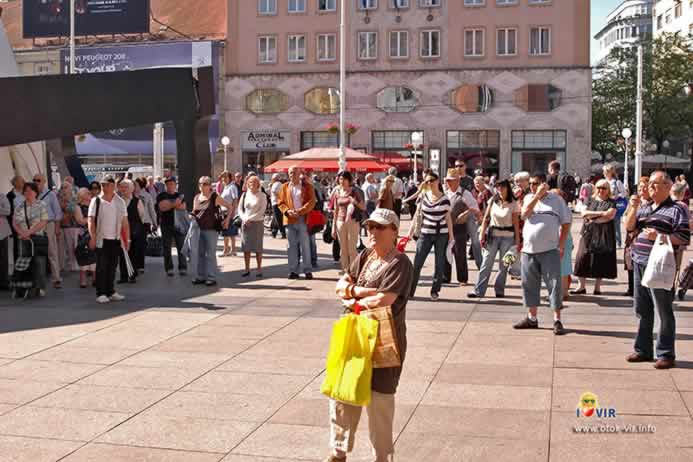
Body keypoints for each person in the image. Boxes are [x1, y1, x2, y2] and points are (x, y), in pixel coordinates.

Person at [329, 208, 413, 462]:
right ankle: (338, 452)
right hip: (355, 333)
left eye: (380, 227)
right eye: (370, 227)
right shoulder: (365, 255)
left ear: (394, 231)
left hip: (385, 340)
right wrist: (359, 290)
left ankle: (381, 457)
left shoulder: (400, 263)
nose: (373, 231)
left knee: (380, 402)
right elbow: (340, 286)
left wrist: (353, 294)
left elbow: (384, 299)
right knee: (344, 393)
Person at [625, 171, 690, 369]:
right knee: (642, 309)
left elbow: (685, 238)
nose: (650, 187)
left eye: (655, 184)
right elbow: (630, 228)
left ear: (667, 187)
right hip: (640, 262)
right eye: (649, 184)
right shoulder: (645, 207)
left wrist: (660, 237)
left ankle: (666, 354)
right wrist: (633, 208)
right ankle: (643, 350)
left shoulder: (678, 209)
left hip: (660, 265)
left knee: (663, 311)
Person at [513, 173, 572, 335]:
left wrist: (561, 245)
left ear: (544, 184)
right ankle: (532, 318)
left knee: (554, 285)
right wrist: (536, 196)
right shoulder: (528, 198)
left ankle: (557, 319)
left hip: (550, 250)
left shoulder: (557, 200)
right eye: (531, 183)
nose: (532, 186)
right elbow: (524, 214)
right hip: (529, 250)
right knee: (529, 284)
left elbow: (566, 222)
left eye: (536, 183)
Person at [468, 179, 521, 298]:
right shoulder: (493, 200)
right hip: (492, 236)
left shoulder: (513, 203)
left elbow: (516, 223)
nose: (500, 190)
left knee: (504, 265)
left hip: (508, 237)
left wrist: (517, 241)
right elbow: (486, 217)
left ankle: (499, 290)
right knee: (486, 263)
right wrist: (482, 233)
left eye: (502, 187)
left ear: (508, 188)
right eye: (498, 187)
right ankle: (478, 290)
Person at [407, 172, 454, 301]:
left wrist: (451, 236)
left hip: (441, 235)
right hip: (425, 234)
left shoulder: (445, 199)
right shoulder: (423, 196)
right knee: (417, 263)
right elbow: (417, 216)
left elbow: (448, 218)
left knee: (439, 265)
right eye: (427, 181)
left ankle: (435, 290)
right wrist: (409, 233)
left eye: (432, 180)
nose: (430, 183)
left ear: (438, 181)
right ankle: (410, 291)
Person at [571, 179, 618, 295]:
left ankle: (597, 288)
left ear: (608, 190)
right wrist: (601, 214)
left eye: (603, 188)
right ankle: (581, 286)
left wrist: (592, 216)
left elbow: (610, 215)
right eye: (598, 188)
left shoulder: (611, 202)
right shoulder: (590, 200)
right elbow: (583, 213)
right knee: (581, 257)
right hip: (588, 233)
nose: (601, 190)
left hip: (604, 234)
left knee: (600, 259)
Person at [88, 175, 129, 304]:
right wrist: (93, 237)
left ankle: (110, 291)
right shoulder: (96, 201)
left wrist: (127, 239)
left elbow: (125, 221)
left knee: (112, 266)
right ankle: (101, 293)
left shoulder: (119, 201)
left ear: (113, 186)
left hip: (115, 238)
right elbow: (91, 220)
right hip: (102, 238)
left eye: (107, 184)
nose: (104, 187)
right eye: (103, 185)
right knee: (101, 266)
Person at [191, 177, 232, 286]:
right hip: (199, 229)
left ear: (210, 185)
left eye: (205, 184)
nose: (202, 186)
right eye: (200, 183)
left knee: (210, 254)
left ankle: (211, 277)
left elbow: (229, 206)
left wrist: (227, 220)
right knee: (200, 253)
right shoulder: (196, 197)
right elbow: (194, 212)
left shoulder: (214, 196)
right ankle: (200, 276)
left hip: (211, 229)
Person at [277, 166, 317, 280]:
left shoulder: (307, 186)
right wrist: (287, 211)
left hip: (303, 218)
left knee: (305, 245)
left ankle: (307, 270)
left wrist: (300, 211)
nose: (292, 175)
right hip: (289, 219)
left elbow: (311, 201)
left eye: (294, 173)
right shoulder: (284, 187)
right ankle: (293, 270)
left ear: (299, 174)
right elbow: (280, 202)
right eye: (290, 173)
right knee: (291, 246)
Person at [13, 182, 48, 297]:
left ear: (36, 192)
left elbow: (43, 221)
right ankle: (26, 285)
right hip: (23, 238)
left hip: (37, 237)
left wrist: (29, 232)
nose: (28, 193)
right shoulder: (19, 206)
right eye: (26, 190)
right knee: (24, 262)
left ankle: (40, 287)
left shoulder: (41, 204)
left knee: (39, 262)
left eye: (31, 190)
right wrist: (22, 233)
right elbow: (15, 222)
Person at [331, 171, 366, 274]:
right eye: (340, 179)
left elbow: (363, 207)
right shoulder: (337, 192)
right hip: (340, 222)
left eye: (344, 179)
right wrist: (333, 227)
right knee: (343, 249)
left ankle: (354, 271)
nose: (342, 181)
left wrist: (354, 201)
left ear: (349, 180)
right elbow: (335, 210)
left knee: (352, 248)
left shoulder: (354, 192)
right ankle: (346, 271)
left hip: (352, 221)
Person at [442, 169, 472, 286]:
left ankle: (462, 278)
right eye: (448, 180)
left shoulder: (465, 193)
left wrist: (465, 214)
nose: (449, 183)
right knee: (445, 252)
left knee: (460, 253)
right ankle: (445, 277)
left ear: (458, 181)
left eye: (452, 181)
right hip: (445, 227)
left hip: (459, 227)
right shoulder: (444, 193)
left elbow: (474, 206)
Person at [622, 176, 651, 297]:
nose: (642, 190)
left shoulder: (653, 205)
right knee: (631, 263)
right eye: (640, 188)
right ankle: (632, 288)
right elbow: (628, 225)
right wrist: (633, 207)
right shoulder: (635, 203)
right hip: (632, 239)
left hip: (645, 241)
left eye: (645, 187)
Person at [34, 174, 63, 289]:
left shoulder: (50, 194)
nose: (36, 182)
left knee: (52, 251)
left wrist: (57, 227)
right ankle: (37, 278)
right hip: (36, 225)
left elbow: (57, 212)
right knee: (37, 251)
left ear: (44, 181)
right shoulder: (31, 194)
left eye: (38, 180)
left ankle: (56, 278)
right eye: (34, 180)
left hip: (49, 224)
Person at [157, 177, 188, 277]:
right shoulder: (161, 195)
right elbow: (162, 207)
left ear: (175, 185)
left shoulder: (180, 195)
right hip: (166, 225)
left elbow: (183, 207)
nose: (170, 186)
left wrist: (169, 204)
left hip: (179, 225)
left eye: (172, 184)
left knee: (181, 247)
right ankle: (169, 268)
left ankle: (183, 267)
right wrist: (175, 203)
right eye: (168, 184)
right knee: (167, 248)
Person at [117, 179, 146, 284]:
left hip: (134, 231)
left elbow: (142, 216)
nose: (123, 189)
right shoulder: (118, 200)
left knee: (133, 253)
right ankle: (123, 276)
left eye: (125, 187)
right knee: (122, 253)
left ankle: (132, 275)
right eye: (121, 187)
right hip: (121, 231)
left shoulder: (137, 201)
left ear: (131, 189)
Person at [238, 175, 268, 278]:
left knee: (258, 247)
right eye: (250, 182)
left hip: (257, 223)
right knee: (246, 247)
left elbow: (262, 211)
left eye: (255, 182)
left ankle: (259, 268)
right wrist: (244, 219)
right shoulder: (244, 195)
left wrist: (250, 219)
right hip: (246, 224)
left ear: (258, 184)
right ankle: (247, 268)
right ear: (247, 184)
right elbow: (240, 210)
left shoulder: (262, 195)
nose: (252, 184)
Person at [73, 188, 94, 288]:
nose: (90, 194)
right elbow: (80, 221)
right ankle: (83, 279)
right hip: (83, 234)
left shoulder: (94, 205)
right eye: (87, 193)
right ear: (81, 195)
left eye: (89, 193)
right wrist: (91, 219)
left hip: (94, 232)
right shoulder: (78, 207)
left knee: (94, 255)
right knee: (83, 255)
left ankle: (95, 278)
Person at [58, 181, 81, 273]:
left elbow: (72, 212)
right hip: (61, 225)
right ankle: (62, 265)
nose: (64, 189)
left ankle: (74, 264)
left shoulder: (74, 198)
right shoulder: (59, 198)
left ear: (71, 188)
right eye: (62, 187)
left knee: (73, 246)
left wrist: (65, 215)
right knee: (62, 248)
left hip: (73, 225)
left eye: (66, 187)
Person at [603, 164, 626, 247]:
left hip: (615, 206)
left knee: (616, 225)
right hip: (605, 206)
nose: (604, 173)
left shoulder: (617, 182)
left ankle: (617, 243)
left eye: (605, 171)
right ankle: (607, 241)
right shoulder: (604, 182)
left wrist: (617, 196)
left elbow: (624, 193)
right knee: (605, 225)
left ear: (610, 172)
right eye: (604, 171)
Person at [220, 172, 240, 256]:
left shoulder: (232, 187)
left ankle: (228, 250)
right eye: (222, 177)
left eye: (225, 177)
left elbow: (235, 200)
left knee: (229, 232)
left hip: (229, 212)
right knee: (228, 232)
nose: (224, 179)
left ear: (229, 178)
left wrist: (232, 213)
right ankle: (232, 250)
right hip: (224, 212)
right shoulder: (226, 187)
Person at [270, 173, 286, 239]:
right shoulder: (280, 184)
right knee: (275, 219)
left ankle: (283, 233)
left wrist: (279, 198)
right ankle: (274, 231)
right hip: (276, 203)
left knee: (278, 219)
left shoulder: (276, 184)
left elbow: (275, 192)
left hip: (276, 203)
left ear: (274, 178)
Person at [0, 192, 10, 290]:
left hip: (2, 230)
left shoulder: (2, 196)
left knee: (3, 257)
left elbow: (8, 211)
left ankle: (4, 281)